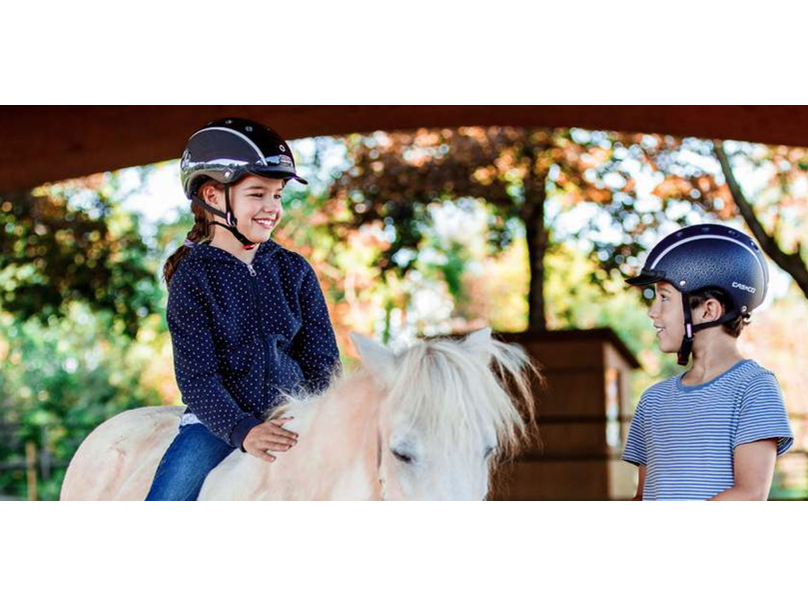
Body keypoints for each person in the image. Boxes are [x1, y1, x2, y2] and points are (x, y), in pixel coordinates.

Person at [146, 118, 340, 500]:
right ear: (213, 196)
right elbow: (197, 377)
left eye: (277, 195)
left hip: (295, 419)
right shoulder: (193, 278)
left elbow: (323, 362)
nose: (272, 208)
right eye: (257, 194)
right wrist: (243, 430)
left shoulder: (294, 270)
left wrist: (318, 415)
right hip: (218, 425)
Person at [622, 223, 793, 500]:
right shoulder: (652, 401)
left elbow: (750, 494)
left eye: (664, 297)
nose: (653, 312)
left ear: (708, 310)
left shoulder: (754, 388)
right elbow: (643, 497)